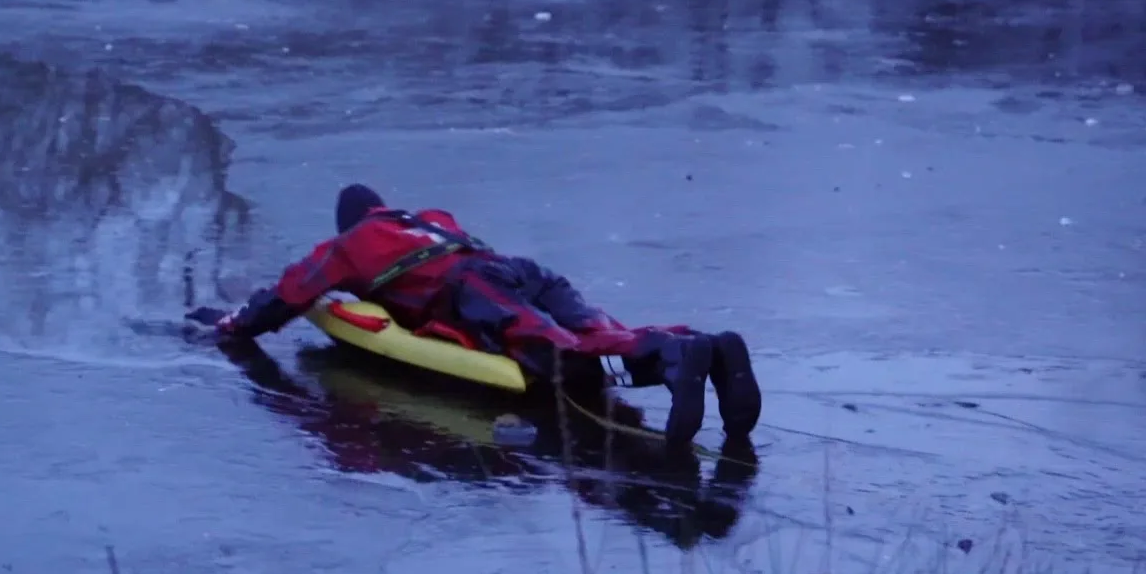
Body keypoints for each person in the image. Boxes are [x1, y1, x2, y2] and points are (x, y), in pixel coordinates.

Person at [212, 183, 761, 448]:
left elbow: (287, 296)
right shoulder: (427, 218)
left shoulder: (349, 245)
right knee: (599, 334)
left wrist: (232, 328)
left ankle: (672, 353)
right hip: (513, 268)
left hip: (470, 287)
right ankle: (702, 345)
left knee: (553, 356)